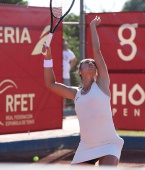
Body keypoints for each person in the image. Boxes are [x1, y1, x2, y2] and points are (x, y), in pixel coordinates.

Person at [42, 16, 124, 167]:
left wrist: (92, 26)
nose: (91, 63)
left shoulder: (102, 84)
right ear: (79, 71)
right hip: (87, 147)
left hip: (109, 143)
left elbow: (96, 50)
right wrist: (48, 58)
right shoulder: (75, 94)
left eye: (93, 63)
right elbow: (50, 83)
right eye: (87, 63)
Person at [62, 39, 76, 108]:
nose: (64, 43)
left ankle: (63, 111)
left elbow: (74, 60)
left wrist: (69, 69)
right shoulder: (57, 51)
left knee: (66, 93)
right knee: (58, 93)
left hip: (66, 76)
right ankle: (59, 111)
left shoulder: (68, 52)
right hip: (57, 76)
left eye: (64, 41)